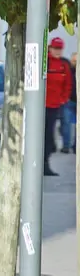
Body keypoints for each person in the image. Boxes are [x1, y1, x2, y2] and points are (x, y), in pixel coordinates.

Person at [44, 37, 71, 176]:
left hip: (54, 106)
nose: (58, 51)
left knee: (49, 136)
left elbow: (68, 84)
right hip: (41, 106)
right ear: (50, 48)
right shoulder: (45, 62)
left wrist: (63, 99)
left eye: (60, 48)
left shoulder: (64, 64)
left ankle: (45, 164)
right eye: (55, 48)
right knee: (38, 135)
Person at [60, 51, 77, 154]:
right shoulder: (67, 70)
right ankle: (66, 146)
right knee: (66, 125)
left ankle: (76, 146)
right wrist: (64, 98)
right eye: (74, 61)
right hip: (68, 101)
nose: (75, 63)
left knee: (75, 126)